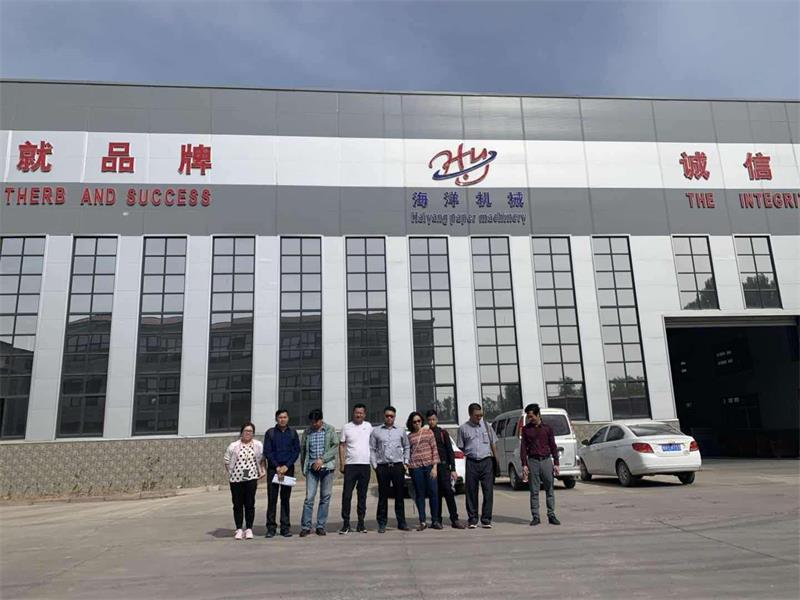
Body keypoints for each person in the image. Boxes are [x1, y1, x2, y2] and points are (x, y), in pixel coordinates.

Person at [456, 403, 498, 529]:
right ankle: (473, 519)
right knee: (471, 491)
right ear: (470, 414)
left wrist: (496, 460)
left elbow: (493, 443)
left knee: (488, 491)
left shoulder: (487, 426)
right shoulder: (463, 428)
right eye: (476, 415)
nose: (479, 417)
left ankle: (486, 519)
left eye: (481, 415)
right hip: (472, 462)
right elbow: (461, 446)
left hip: (486, 461)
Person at [369, 405, 410, 533]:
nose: (389, 418)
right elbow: (372, 449)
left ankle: (402, 523)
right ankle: (382, 523)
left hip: (397, 466)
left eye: (391, 416)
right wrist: (375, 465)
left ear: (394, 417)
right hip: (383, 467)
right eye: (387, 416)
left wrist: (406, 463)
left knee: (399, 495)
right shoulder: (376, 431)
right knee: (383, 496)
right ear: (384, 416)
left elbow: (407, 446)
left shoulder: (400, 431)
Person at [299, 408, 339, 537]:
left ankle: (320, 526)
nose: (314, 424)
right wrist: (304, 467)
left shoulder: (330, 430)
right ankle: (306, 526)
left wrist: (322, 459)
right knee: (309, 498)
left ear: (321, 420)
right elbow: (303, 450)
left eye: (316, 422)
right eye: (312, 422)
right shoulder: (307, 432)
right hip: (311, 469)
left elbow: (335, 446)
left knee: (325, 497)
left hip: (327, 468)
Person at [521, 403, 561, 526]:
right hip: (533, 461)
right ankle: (535, 516)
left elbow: (553, 446)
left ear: (538, 414)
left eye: (531, 416)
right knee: (534, 490)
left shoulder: (547, 428)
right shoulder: (526, 429)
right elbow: (523, 448)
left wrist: (556, 463)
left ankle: (551, 514)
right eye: (528, 417)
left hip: (546, 461)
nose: (530, 419)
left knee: (549, 489)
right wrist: (524, 464)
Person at [262, 408, 300, 538]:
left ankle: (285, 527)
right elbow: (268, 451)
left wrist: (286, 466)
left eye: (285, 417)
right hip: (274, 470)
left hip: (288, 470)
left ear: (288, 418)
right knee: (272, 499)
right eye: (280, 417)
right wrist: (277, 467)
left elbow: (296, 451)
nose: (282, 419)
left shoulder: (293, 433)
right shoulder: (270, 433)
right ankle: (271, 528)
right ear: (276, 419)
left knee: (285, 498)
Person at [223, 422, 265, 540]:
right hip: (236, 479)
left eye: (250, 431)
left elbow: (262, 459)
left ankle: (249, 528)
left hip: (251, 478)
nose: (248, 433)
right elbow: (226, 460)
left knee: (250, 504)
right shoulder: (234, 445)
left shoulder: (258, 445)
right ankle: (239, 529)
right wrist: (230, 472)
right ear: (241, 432)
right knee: (237, 504)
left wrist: (262, 470)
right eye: (246, 431)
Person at [426, 409, 465, 529]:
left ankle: (455, 519)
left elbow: (450, 451)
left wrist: (453, 469)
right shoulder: (426, 433)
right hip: (432, 468)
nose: (432, 422)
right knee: (435, 494)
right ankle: (437, 520)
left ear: (437, 419)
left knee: (448, 493)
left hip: (443, 467)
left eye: (433, 419)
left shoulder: (443, 433)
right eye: (429, 420)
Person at [338, 403, 373, 534]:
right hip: (350, 465)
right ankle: (346, 524)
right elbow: (342, 445)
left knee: (362, 495)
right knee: (347, 495)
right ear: (353, 413)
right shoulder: (346, 427)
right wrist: (342, 463)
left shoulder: (368, 426)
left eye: (361, 413)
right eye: (356, 413)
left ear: (364, 414)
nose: (359, 415)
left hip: (364, 465)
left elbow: (373, 444)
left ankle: (361, 523)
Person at [406, 411, 440, 531]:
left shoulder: (428, 432)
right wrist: (407, 465)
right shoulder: (410, 436)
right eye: (414, 422)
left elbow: (434, 449)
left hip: (429, 467)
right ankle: (422, 521)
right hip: (416, 468)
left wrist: (435, 467)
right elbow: (407, 452)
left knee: (433, 493)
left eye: (419, 421)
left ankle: (435, 520)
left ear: (422, 421)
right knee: (420, 494)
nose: (417, 423)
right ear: (411, 423)